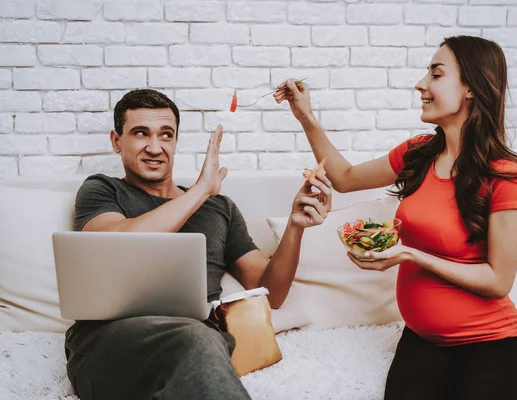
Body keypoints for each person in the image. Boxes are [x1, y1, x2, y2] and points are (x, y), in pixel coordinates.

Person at [276, 35, 517, 400]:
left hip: (490, 347)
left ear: (472, 88)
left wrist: (411, 255)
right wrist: (306, 117)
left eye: (436, 74)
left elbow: (498, 280)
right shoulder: (418, 153)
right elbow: (345, 178)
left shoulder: (504, 173)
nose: (421, 84)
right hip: (422, 341)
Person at [64, 89, 333, 400]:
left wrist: (295, 226)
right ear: (116, 140)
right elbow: (117, 241)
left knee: (201, 340)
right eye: (140, 133)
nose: (155, 147)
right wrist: (201, 190)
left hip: (198, 344)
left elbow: (271, 293)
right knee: (198, 339)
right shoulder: (101, 189)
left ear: (176, 142)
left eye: (166, 135)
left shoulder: (219, 208)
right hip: (108, 342)